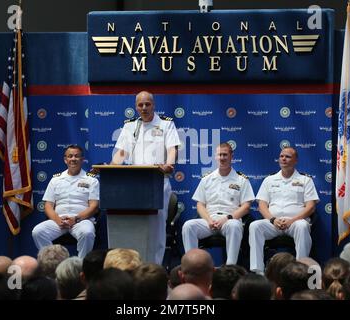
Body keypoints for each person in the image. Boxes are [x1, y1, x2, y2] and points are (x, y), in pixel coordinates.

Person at [111, 91, 180, 264]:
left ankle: (154, 266)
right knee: (136, 224)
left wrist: (169, 165)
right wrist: (111, 168)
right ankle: (135, 264)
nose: (144, 108)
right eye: (140, 105)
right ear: (136, 107)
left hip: (158, 182)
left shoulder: (166, 124)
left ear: (153, 105)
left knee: (157, 226)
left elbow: (172, 149)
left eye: (147, 104)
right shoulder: (130, 127)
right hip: (135, 184)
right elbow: (121, 153)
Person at [182, 142, 255, 265]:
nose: (222, 158)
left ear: (232, 156)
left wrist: (227, 218)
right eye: (219, 155)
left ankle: (230, 267)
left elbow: (246, 207)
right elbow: (200, 204)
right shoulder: (206, 179)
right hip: (209, 221)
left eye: (225, 155)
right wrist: (209, 220)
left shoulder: (241, 180)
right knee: (188, 226)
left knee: (234, 226)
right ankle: (192, 265)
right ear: (215, 157)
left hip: (229, 219)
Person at [249, 147, 319, 274]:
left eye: (287, 156)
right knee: (255, 226)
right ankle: (258, 271)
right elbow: (262, 205)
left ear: (295, 160)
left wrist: (292, 220)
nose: (283, 159)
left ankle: (301, 268)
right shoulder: (269, 180)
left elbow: (311, 207)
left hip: (295, 223)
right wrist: (272, 219)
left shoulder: (305, 180)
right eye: (281, 156)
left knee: (302, 226)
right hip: (273, 223)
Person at [32, 145, 99, 259]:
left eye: (77, 156)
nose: (73, 159)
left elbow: (94, 206)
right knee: (38, 232)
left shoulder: (91, 180)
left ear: (82, 159)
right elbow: (48, 206)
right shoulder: (55, 180)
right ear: (65, 160)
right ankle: (54, 264)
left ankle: (81, 266)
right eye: (70, 156)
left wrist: (75, 219)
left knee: (87, 233)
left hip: (81, 220)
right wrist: (58, 220)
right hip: (59, 220)